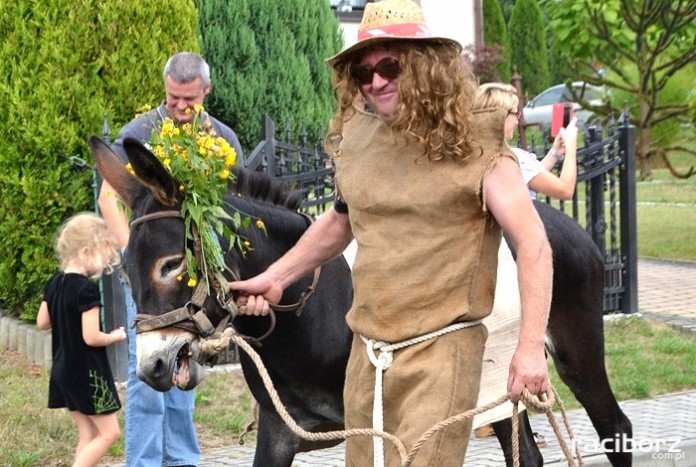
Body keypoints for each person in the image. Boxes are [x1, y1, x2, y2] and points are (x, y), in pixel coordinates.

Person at [228, 1, 553, 466]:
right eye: (363, 72)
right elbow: (339, 222)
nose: (375, 81)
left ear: (425, 66)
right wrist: (277, 277)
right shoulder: (358, 139)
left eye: (390, 66)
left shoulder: (477, 143)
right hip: (368, 356)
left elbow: (533, 243)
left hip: (442, 352)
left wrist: (529, 348)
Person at [98, 51, 244, 467]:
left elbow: (233, 208)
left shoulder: (222, 139)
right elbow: (108, 197)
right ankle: (143, 463)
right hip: (153, 280)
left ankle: (181, 461)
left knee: (186, 365)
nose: (179, 108)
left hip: (193, 282)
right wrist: (134, 260)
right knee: (147, 377)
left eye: (189, 100)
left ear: (207, 91)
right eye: (172, 98)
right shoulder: (143, 131)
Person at [470, 82, 579, 449]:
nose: (520, 120)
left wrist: (551, 154)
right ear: (504, 117)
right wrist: (572, 148)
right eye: (516, 113)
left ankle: (493, 418)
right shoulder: (509, 160)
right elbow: (565, 189)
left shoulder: (476, 158)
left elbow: (529, 175)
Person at [36, 212, 126, 467]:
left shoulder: (54, 284)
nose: (105, 263)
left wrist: (63, 312)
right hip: (88, 375)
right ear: (86, 252)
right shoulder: (86, 289)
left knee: (88, 434)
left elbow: (42, 322)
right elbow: (91, 337)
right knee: (110, 433)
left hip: (63, 372)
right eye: (103, 255)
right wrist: (114, 336)